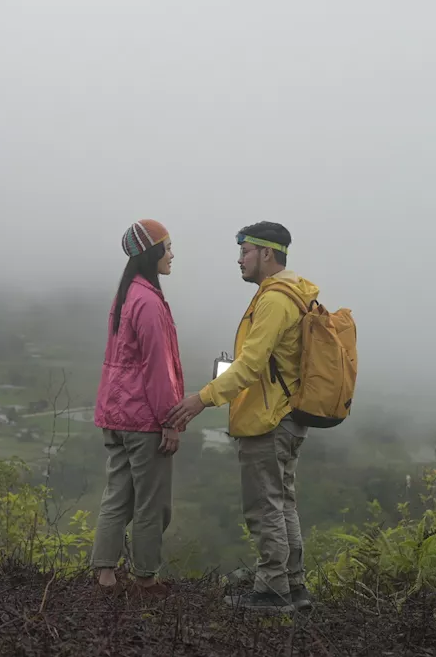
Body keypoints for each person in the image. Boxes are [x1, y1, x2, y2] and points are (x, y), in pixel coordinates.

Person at [166, 221, 317, 612]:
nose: (239, 259)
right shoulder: (294, 294)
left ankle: (271, 591)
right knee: (283, 503)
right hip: (288, 417)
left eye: (245, 251)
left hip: (268, 420)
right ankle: (293, 586)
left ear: (267, 253)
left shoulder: (274, 300)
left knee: (265, 507)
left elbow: (250, 366)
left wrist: (202, 398)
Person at [91, 219, 184, 597]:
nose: (172, 254)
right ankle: (145, 577)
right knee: (152, 502)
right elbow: (157, 369)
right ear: (152, 252)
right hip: (143, 419)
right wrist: (171, 421)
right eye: (168, 246)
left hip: (115, 415)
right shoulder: (148, 302)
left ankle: (105, 573)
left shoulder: (125, 296)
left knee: (118, 495)